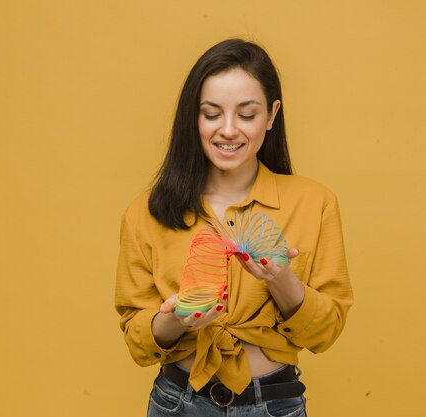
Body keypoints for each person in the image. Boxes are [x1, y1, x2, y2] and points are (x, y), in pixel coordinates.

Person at [115, 38, 353, 417]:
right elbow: (138, 342)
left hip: (274, 404)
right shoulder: (147, 212)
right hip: (178, 404)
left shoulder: (315, 203)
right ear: (192, 117)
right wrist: (176, 319)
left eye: (246, 114)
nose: (228, 130)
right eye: (211, 114)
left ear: (272, 115)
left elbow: (325, 333)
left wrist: (281, 279)